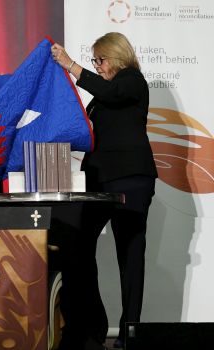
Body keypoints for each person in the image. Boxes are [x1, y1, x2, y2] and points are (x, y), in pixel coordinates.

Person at [51, 33, 157, 349]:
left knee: (130, 254)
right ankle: (90, 328)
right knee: (78, 248)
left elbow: (110, 93)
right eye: (94, 61)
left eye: (101, 60)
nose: (98, 67)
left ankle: (130, 331)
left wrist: (71, 65)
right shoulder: (104, 93)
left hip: (132, 181)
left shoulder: (132, 81)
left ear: (117, 56)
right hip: (98, 183)